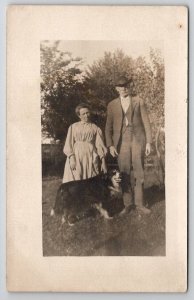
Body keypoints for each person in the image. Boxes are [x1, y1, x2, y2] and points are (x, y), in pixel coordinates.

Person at [105, 76, 152, 214]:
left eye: (126, 86)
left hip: (138, 140)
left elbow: (147, 123)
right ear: (116, 89)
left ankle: (140, 204)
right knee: (124, 172)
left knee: (139, 172)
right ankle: (127, 204)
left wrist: (149, 142)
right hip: (121, 142)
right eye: (120, 86)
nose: (124, 88)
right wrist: (111, 145)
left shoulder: (139, 101)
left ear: (129, 87)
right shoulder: (112, 105)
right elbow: (108, 127)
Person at [62, 103, 107, 183]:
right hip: (77, 156)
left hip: (91, 156)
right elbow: (68, 144)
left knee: (91, 181)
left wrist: (103, 162)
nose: (86, 115)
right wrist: (72, 158)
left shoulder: (95, 128)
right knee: (76, 181)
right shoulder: (73, 127)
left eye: (87, 113)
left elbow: (100, 146)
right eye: (83, 114)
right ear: (79, 116)